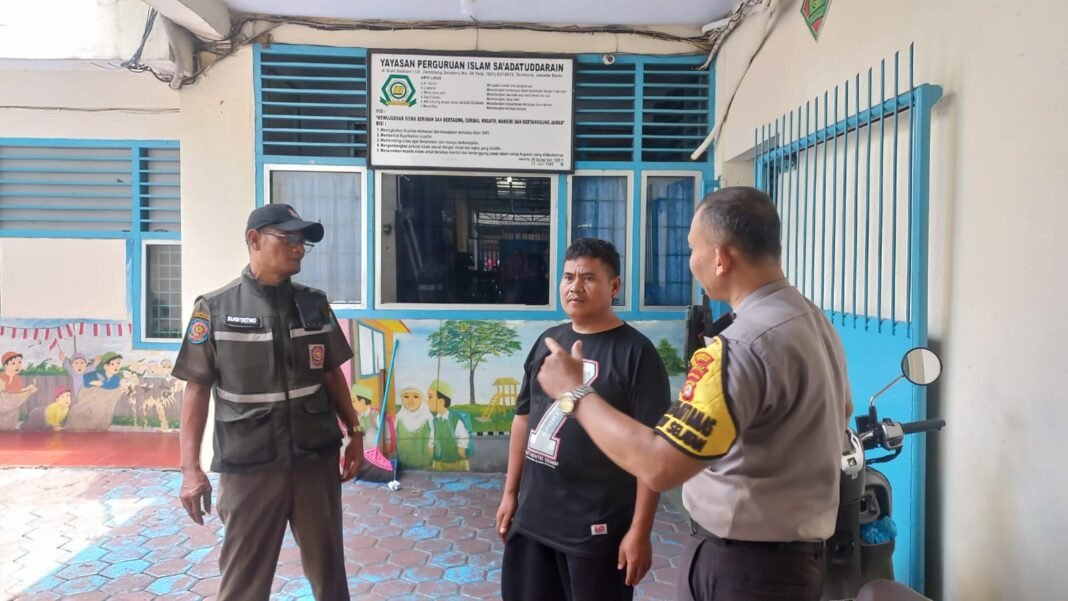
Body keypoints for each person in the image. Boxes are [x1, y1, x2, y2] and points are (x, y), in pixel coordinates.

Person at [535, 187, 852, 601]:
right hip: (795, 559)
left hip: (744, 567)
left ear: (721, 258)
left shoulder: (740, 346)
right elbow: (842, 411)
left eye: (692, 248)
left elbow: (660, 464)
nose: (690, 262)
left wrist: (574, 394)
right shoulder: (810, 319)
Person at [173, 203, 363, 601]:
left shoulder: (314, 303)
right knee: (244, 583)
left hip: (314, 461)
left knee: (330, 578)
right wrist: (190, 470)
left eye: (302, 242)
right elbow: (196, 389)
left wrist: (355, 431)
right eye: (289, 238)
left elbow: (331, 373)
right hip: (250, 467)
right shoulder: (215, 308)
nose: (298, 248)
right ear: (254, 240)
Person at [496, 238, 672, 601]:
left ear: (614, 286)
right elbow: (522, 419)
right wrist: (510, 493)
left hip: (595, 531)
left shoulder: (636, 354)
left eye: (588, 277)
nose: (575, 286)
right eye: (568, 276)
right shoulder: (548, 342)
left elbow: (651, 451)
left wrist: (640, 531)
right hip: (533, 521)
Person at [427, 379, 473, 471]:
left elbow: (463, 437)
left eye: (430, 397)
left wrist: (461, 451)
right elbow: (431, 440)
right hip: (439, 463)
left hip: (457, 463)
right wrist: (432, 452)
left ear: (441, 402)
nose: (427, 401)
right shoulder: (435, 421)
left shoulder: (455, 420)